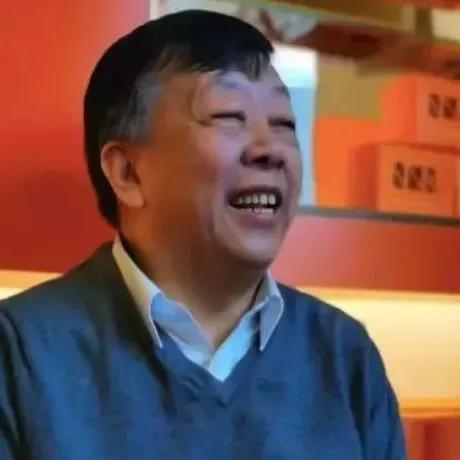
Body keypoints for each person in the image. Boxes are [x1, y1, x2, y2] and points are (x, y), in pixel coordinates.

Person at [0, 10, 406, 460]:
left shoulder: (344, 354)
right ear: (128, 172)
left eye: (284, 123)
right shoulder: (20, 351)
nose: (270, 150)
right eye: (229, 116)